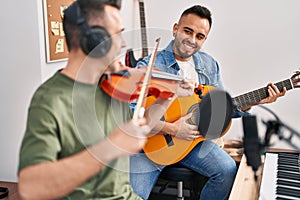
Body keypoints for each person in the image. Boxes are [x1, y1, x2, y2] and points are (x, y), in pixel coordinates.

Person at [17, 0, 195, 199]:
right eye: (117, 34)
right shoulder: (50, 100)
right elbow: (31, 188)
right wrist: (109, 147)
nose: (124, 43)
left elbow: (142, 126)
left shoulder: (114, 87)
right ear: (94, 40)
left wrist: (168, 95)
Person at [130, 5, 286, 200]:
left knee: (227, 171)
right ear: (175, 28)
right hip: (149, 145)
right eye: (187, 31)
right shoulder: (148, 66)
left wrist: (253, 102)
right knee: (131, 196)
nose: (192, 40)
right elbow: (132, 116)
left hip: (193, 144)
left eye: (200, 36)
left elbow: (221, 107)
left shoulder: (209, 65)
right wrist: (173, 128)